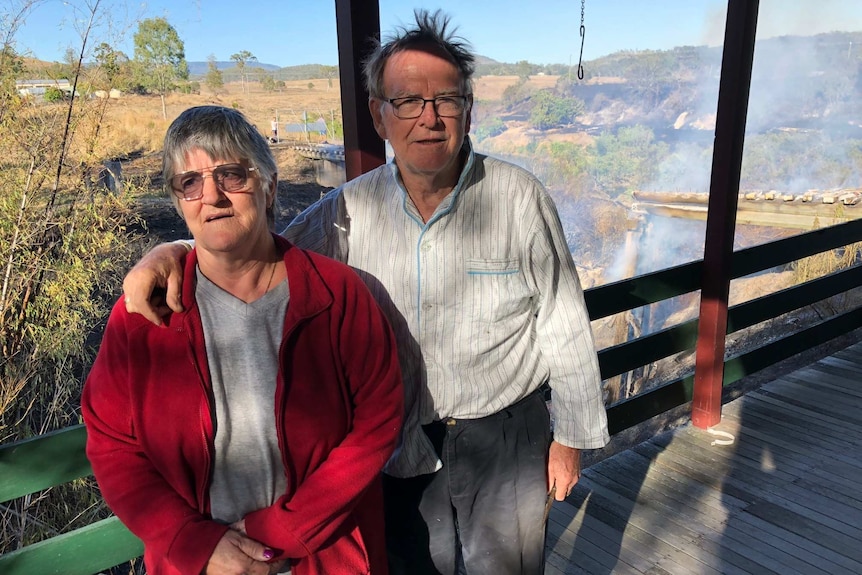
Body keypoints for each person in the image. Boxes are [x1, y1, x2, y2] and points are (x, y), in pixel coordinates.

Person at [122, 10, 609, 575]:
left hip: (505, 441)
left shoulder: (519, 198)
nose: (428, 117)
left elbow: (563, 321)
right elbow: (256, 248)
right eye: (406, 101)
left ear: (468, 111)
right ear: (380, 115)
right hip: (399, 448)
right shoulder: (344, 212)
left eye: (445, 99)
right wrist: (179, 248)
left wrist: (570, 438)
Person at [83, 106, 403, 575]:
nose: (211, 196)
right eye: (189, 182)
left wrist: (283, 533)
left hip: (319, 556)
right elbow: (112, 443)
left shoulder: (337, 294)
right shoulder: (144, 315)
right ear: (179, 202)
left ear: (269, 186)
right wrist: (191, 541)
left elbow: (377, 421)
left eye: (231, 174)